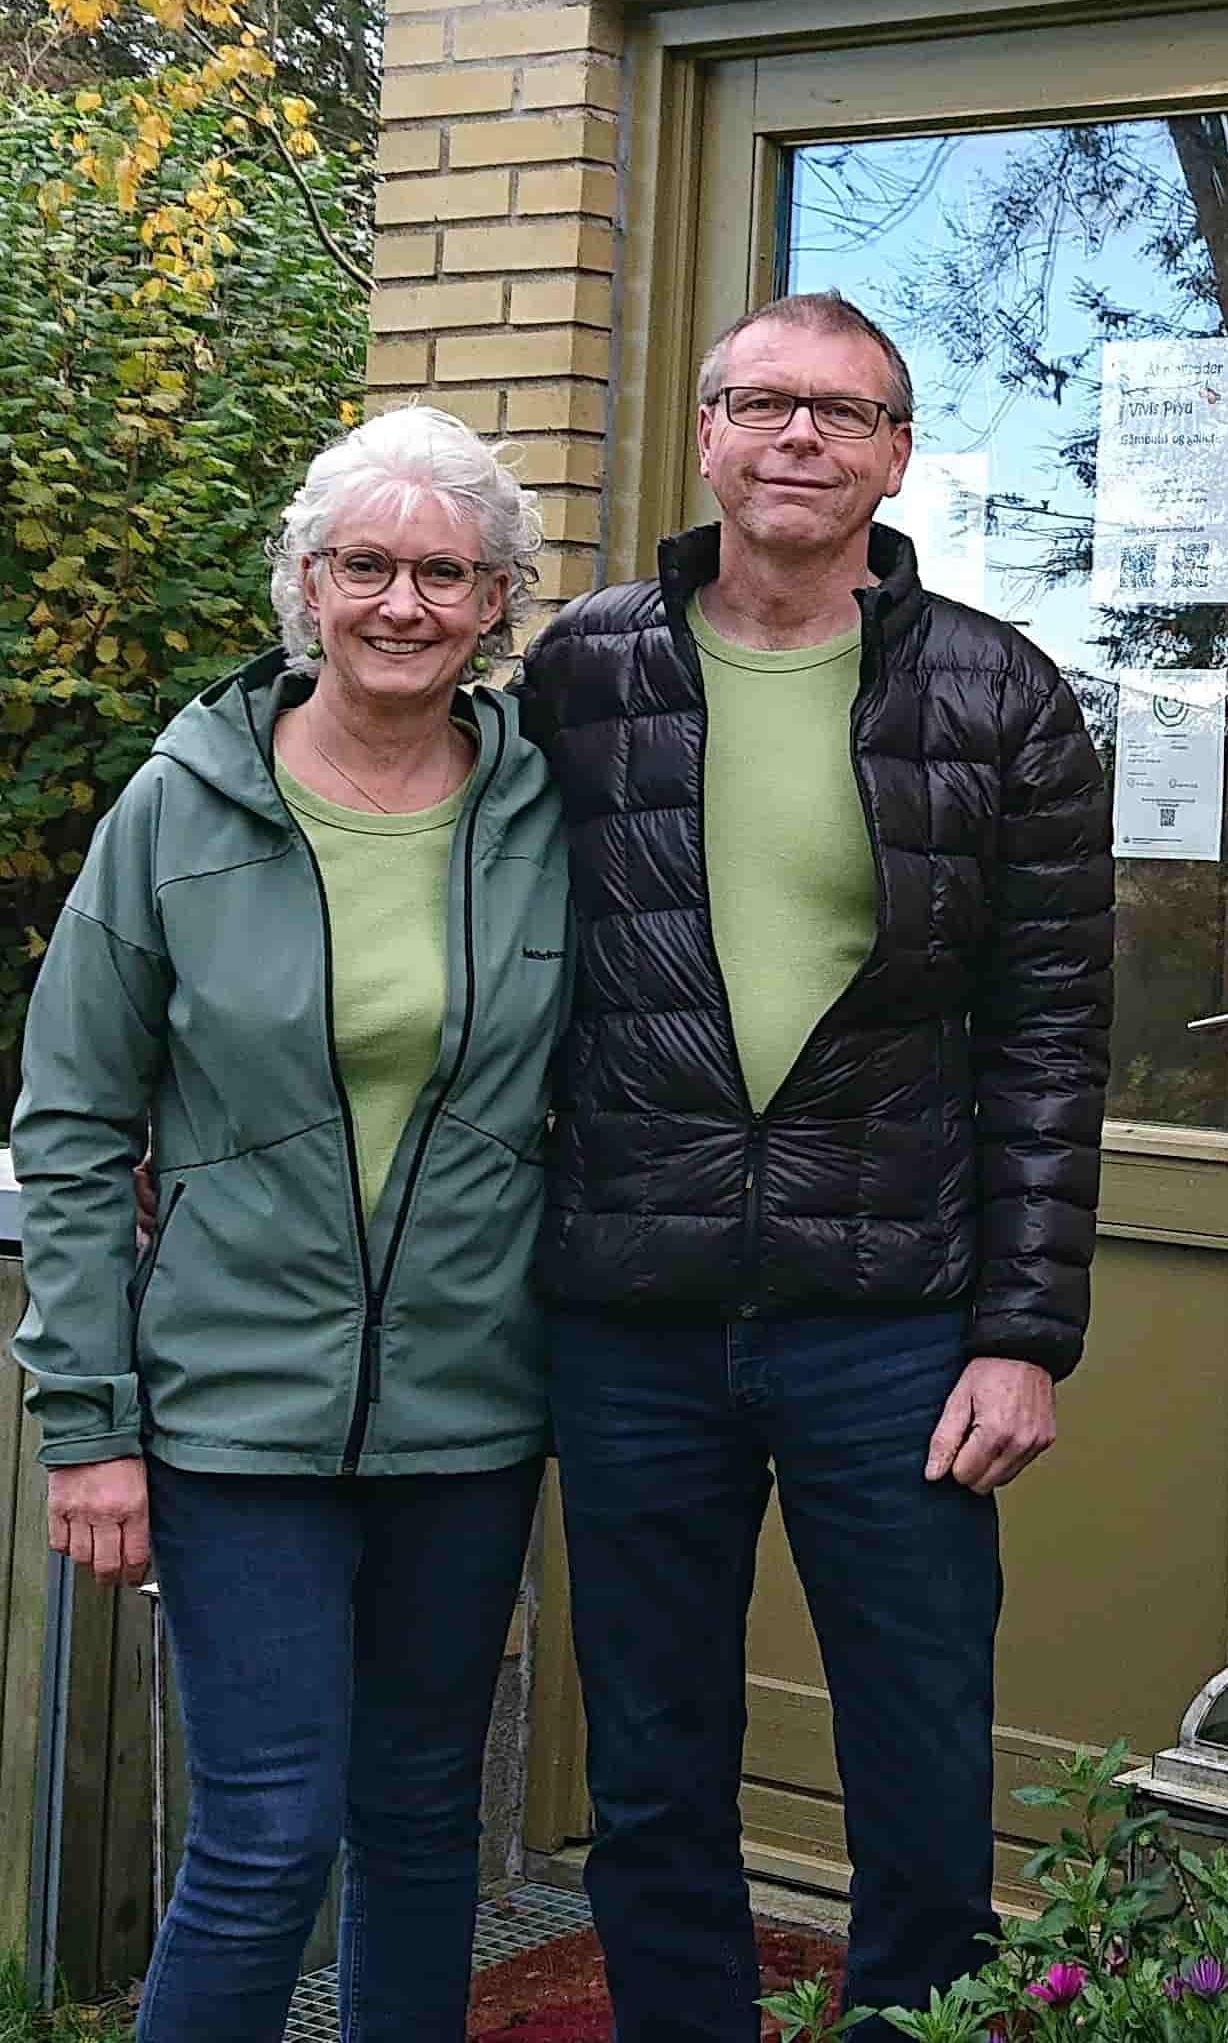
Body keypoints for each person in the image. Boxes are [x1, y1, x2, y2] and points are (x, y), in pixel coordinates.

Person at [521, 290, 1115, 2043]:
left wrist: (1025, 1328)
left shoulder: (999, 692)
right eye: (765, 403)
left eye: (843, 414)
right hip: (635, 1306)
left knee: (923, 1758)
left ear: (897, 454)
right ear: (704, 433)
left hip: (897, 1320)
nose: (801, 437)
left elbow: (1053, 1035)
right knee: (652, 1760)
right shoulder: (583, 669)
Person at [11, 408, 573, 2043]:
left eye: (446, 572)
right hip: (231, 1414)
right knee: (263, 1838)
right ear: (305, 585)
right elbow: (70, 1122)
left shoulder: (547, 815)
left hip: (471, 1409)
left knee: (420, 1831)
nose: (403, 602)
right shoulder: (179, 810)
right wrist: (87, 1426)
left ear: (495, 605)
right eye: (366, 564)